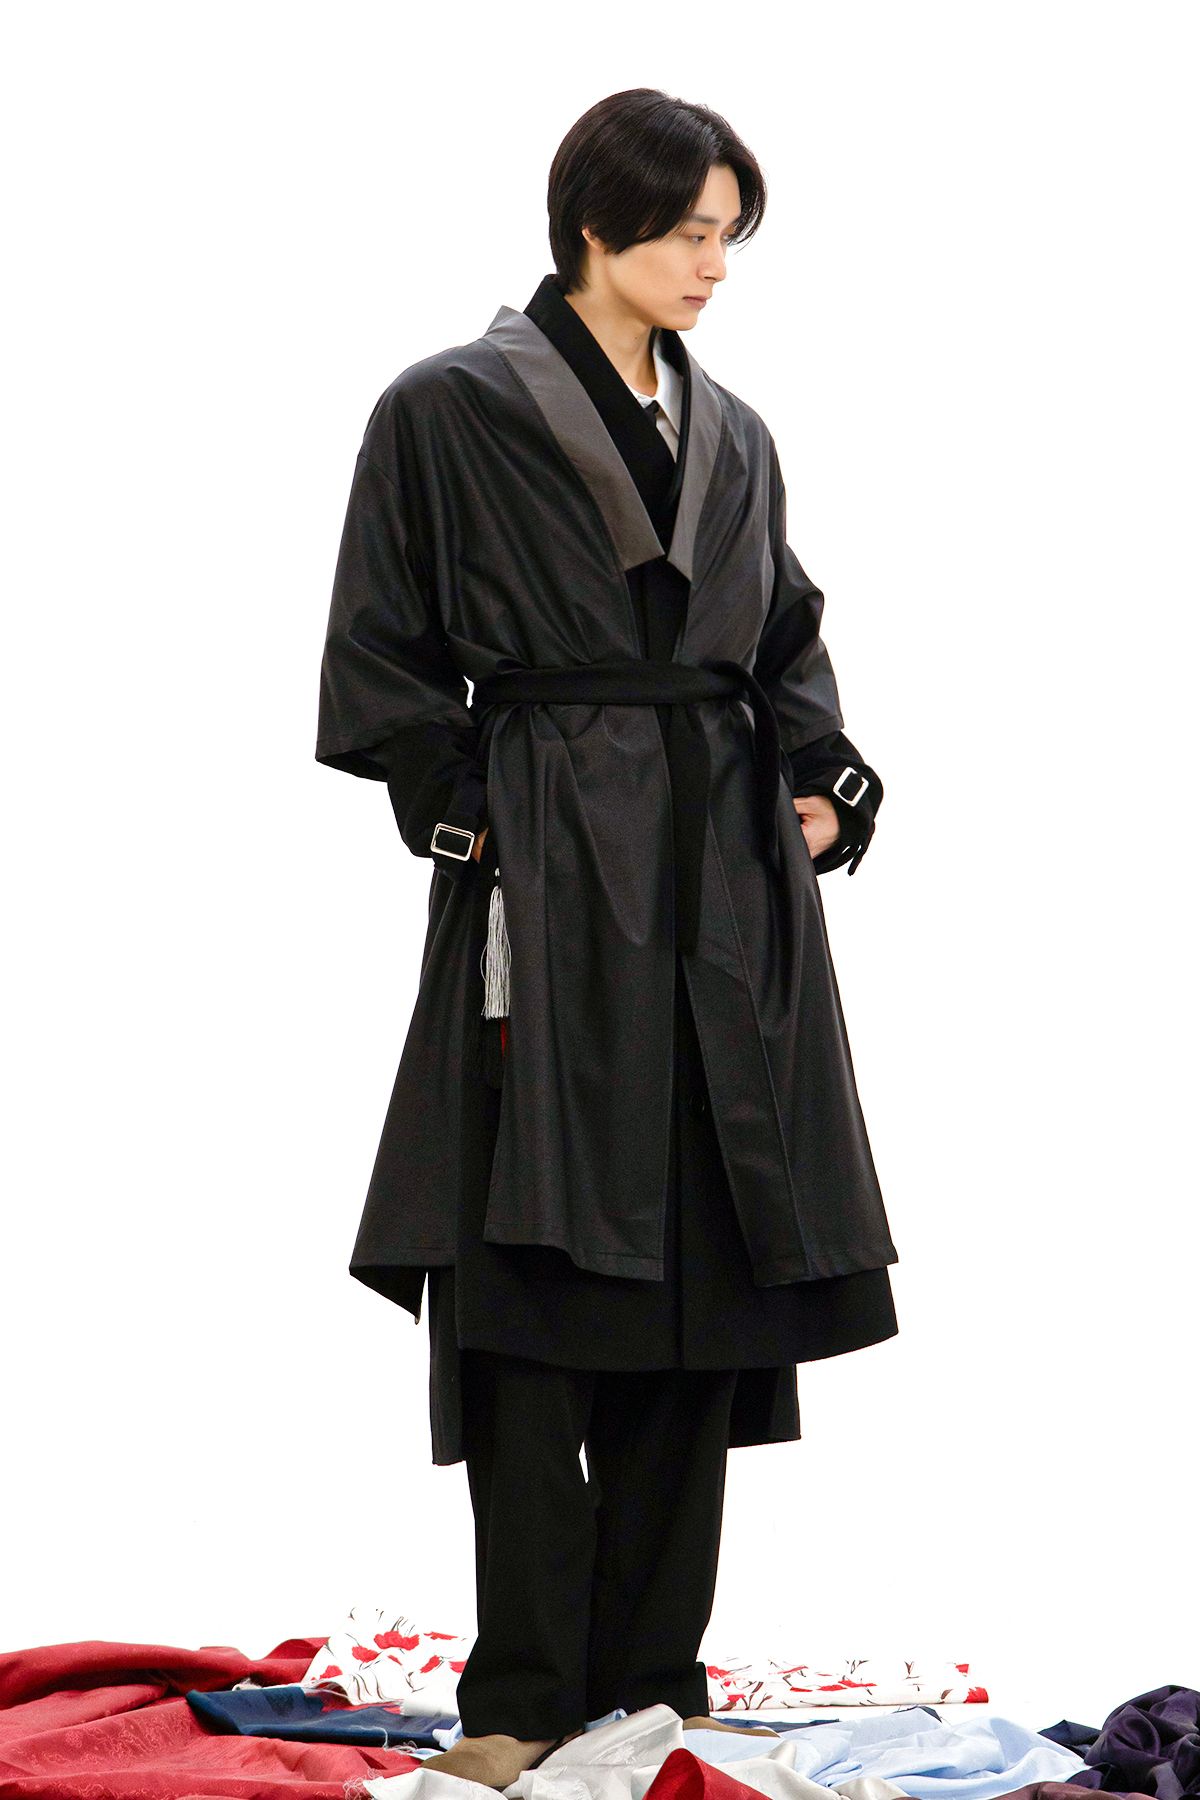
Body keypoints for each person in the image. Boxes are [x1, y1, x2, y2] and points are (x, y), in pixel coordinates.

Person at [315, 88, 900, 1792]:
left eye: (729, 235)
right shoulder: (445, 407)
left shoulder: (738, 434)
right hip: (552, 878)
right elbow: (381, 647)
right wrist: (474, 814)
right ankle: (519, 1697)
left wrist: (827, 785)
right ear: (596, 222)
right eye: (688, 231)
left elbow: (783, 638)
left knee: (702, 1275)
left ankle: (654, 1680)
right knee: (532, 1270)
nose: (714, 265)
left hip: (724, 885)